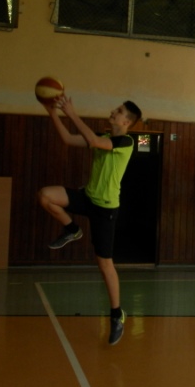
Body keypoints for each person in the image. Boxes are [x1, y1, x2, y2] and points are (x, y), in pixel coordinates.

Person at [38, 94, 142, 345]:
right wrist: (52, 112)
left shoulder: (126, 142)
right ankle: (72, 229)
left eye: (119, 111)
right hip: (87, 197)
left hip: (105, 209)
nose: (113, 111)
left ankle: (117, 314)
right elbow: (67, 138)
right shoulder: (103, 137)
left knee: (105, 264)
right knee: (45, 196)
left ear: (126, 122)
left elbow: (94, 141)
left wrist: (71, 112)